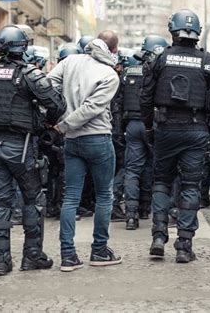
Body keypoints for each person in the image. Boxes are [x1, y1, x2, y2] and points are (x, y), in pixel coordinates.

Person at [0, 25, 66, 276]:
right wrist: (44, 119)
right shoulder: (29, 73)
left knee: (1, 203)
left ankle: (2, 261)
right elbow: (57, 104)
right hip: (22, 145)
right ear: (22, 47)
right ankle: (32, 255)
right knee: (33, 199)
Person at [140, 9, 210, 263]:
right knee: (190, 186)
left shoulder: (159, 58)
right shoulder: (209, 61)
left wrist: (148, 126)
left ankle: (158, 235)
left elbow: (145, 96)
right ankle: (184, 244)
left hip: (166, 128)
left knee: (162, 181)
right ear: (197, 32)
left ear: (172, 29)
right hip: (196, 129)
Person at [47, 31, 121, 272]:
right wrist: (64, 124)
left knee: (71, 197)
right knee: (104, 196)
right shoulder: (110, 74)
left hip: (72, 141)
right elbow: (92, 108)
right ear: (113, 50)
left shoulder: (69, 61)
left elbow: (48, 85)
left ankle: (68, 255)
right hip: (98, 138)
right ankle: (99, 250)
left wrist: (60, 116)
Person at [120, 35, 168, 230]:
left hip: (132, 124)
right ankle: (146, 208)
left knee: (132, 170)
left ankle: (131, 214)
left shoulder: (129, 70)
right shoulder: (160, 69)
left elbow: (120, 99)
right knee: (154, 168)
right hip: (153, 124)